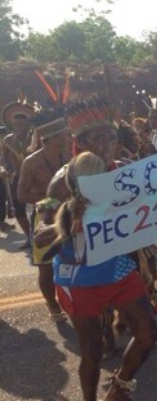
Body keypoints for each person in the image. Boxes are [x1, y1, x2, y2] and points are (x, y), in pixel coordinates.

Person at [35, 95, 157, 401]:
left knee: (149, 332)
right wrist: (65, 222)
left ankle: (119, 391)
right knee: (91, 351)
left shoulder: (122, 169)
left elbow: (149, 200)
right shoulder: (64, 180)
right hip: (81, 277)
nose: (108, 145)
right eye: (98, 139)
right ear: (79, 143)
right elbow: (42, 231)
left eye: (111, 137)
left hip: (119, 267)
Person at [16, 117, 71, 321]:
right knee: (46, 265)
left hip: (71, 213)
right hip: (44, 216)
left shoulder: (72, 155)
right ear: (49, 138)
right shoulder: (31, 162)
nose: (67, 137)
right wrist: (50, 199)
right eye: (62, 134)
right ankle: (52, 305)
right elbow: (21, 195)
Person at [1, 101, 37, 247]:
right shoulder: (7, 140)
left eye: (21, 125)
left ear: (28, 125)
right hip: (17, 177)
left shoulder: (34, 139)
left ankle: (39, 235)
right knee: (18, 210)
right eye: (15, 125)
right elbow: (3, 159)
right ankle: (30, 238)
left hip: (36, 178)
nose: (18, 128)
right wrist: (3, 169)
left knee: (40, 208)